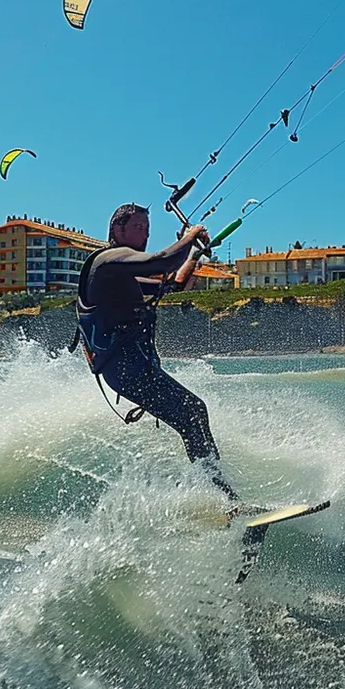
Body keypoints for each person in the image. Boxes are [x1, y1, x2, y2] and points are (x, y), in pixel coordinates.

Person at [73, 203, 238, 500]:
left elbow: (172, 285)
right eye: (138, 228)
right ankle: (225, 500)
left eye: (147, 230)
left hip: (134, 367)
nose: (145, 235)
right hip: (125, 368)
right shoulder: (109, 261)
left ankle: (220, 498)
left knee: (192, 416)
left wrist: (194, 253)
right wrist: (191, 235)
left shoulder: (123, 273)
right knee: (193, 412)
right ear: (117, 229)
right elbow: (161, 262)